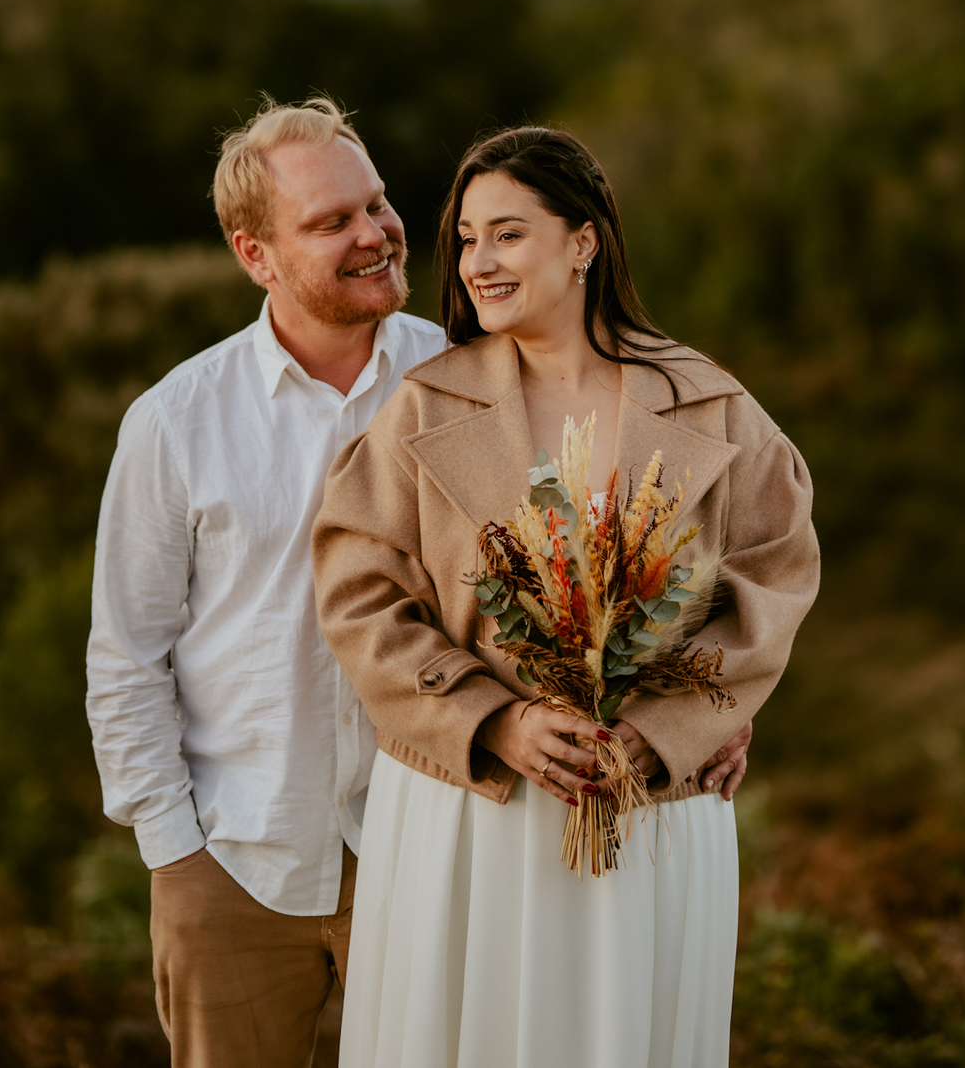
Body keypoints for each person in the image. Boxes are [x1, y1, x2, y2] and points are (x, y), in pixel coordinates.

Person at [86, 98, 751, 1068]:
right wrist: (173, 848)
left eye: (377, 204)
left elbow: (622, 562)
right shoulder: (176, 420)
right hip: (238, 855)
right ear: (254, 255)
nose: (375, 234)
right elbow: (128, 654)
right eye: (331, 223)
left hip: (447, 842)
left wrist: (706, 700)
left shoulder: (479, 372)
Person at [312, 125, 821, 1068]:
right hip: (473, 812)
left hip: (651, 810)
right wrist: (493, 721)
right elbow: (358, 595)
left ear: (583, 241)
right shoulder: (425, 406)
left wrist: (675, 728)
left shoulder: (709, 401)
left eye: (506, 233)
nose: (476, 262)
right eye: (465, 239)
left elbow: (774, 577)